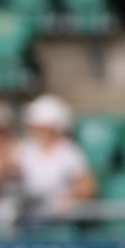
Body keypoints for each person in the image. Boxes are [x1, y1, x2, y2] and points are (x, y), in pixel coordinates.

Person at [16, 93, 96, 223]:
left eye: (38, 124)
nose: (34, 128)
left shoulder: (69, 151)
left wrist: (69, 198)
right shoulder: (25, 148)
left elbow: (87, 186)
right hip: (29, 215)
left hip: (58, 219)